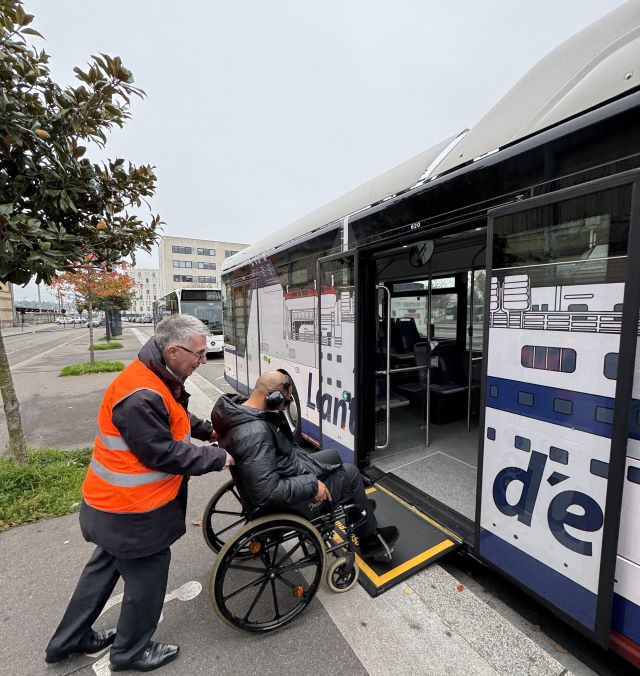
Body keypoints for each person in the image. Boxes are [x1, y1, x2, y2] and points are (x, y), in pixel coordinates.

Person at [45, 315, 233, 672]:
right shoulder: (140, 394)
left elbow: (172, 415)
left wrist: (205, 430)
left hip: (110, 506)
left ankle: (68, 640)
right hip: (132, 513)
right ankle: (130, 654)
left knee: (101, 571)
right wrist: (217, 456)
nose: (203, 360)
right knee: (148, 579)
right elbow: (161, 452)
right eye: (199, 354)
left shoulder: (156, 375)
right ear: (174, 351)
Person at [211, 370, 399, 563]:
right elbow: (266, 493)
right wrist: (312, 485)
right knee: (351, 474)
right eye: (286, 400)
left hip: (286, 470)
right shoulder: (255, 433)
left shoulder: (243, 413)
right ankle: (371, 543)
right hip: (285, 500)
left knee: (333, 456)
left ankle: (356, 506)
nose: (285, 406)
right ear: (273, 396)